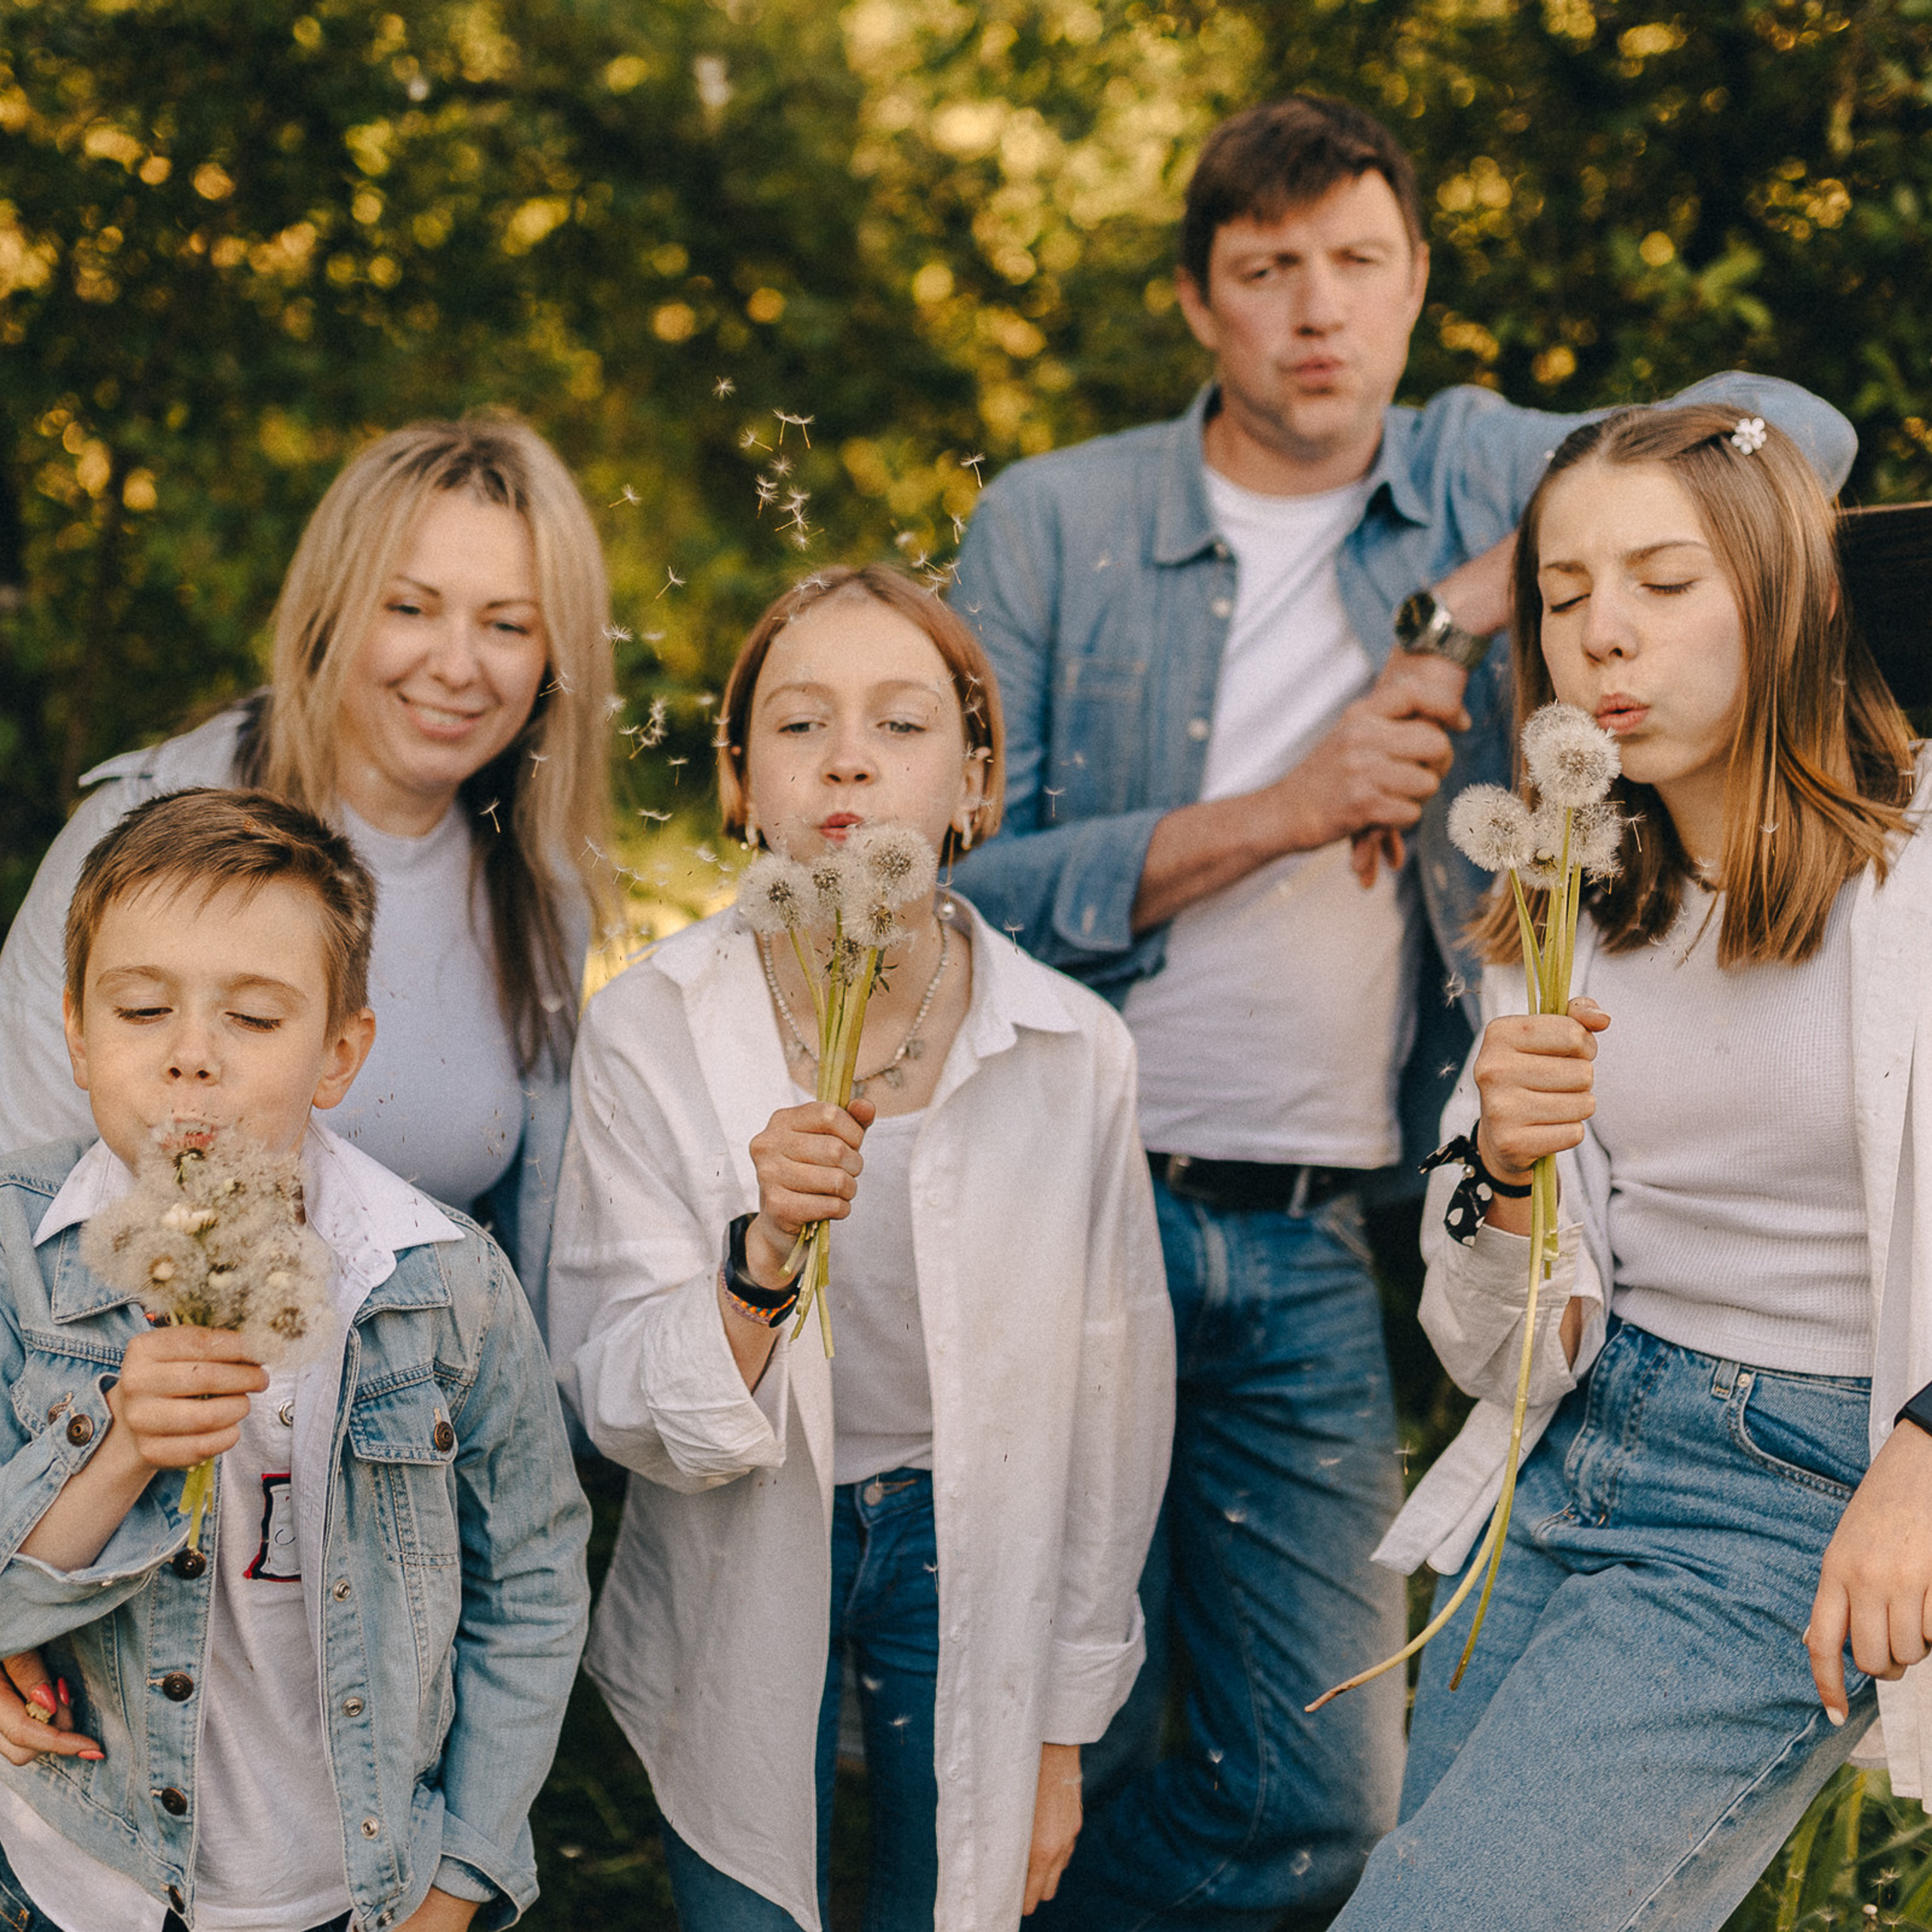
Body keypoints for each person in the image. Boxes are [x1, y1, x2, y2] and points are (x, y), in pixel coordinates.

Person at [948, 91, 1861, 1929]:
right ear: (1195, 300)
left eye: (1356, 263)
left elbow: (1791, 439)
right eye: (1263, 270)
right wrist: (1285, 806)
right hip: (1061, 1197)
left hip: (1313, 1228)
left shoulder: (1482, 472)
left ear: (1415, 280)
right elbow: (953, 876)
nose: (1315, 310)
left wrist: (1477, 597)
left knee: (1324, 1791)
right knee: (1029, 1721)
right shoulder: (1057, 519)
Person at [1329, 403, 1932, 1927]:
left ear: (1787, 594)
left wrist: (1926, 1448)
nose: (1605, 637)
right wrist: (1509, 1178)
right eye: (1563, 592)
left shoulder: (1915, 864)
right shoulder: (1564, 902)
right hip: (1569, 1454)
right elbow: (1494, 1343)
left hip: (1789, 1496)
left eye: (1663, 585)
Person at [546, 564, 1175, 1931]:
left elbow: (1112, 1402)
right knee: (747, 1898)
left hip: (969, 1547)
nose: (847, 759)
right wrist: (760, 1252)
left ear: (974, 786)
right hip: (741, 1544)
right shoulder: (649, 1030)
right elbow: (613, 1393)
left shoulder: (1076, 1051)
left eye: (901, 725)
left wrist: (1060, 1730)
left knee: (945, 1900)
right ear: (738, 785)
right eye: (798, 723)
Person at [0, 786, 589, 1932]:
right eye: (140, 1010)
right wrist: (119, 1452)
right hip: (76, 1878)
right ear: (74, 1033)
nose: (190, 1060)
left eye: (255, 1020)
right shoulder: (18, 1262)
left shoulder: (438, 1283)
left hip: (345, 1889)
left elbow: (531, 1582)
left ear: (340, 1052)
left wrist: (461, 1877)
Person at [0, 414, 614, 1324]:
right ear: (332, 610)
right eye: (409, 607)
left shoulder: (542, 890)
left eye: (508, 625)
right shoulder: (135, 834)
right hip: (139, 1412)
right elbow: (18, 1199)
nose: (456, 665)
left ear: (553, 656)